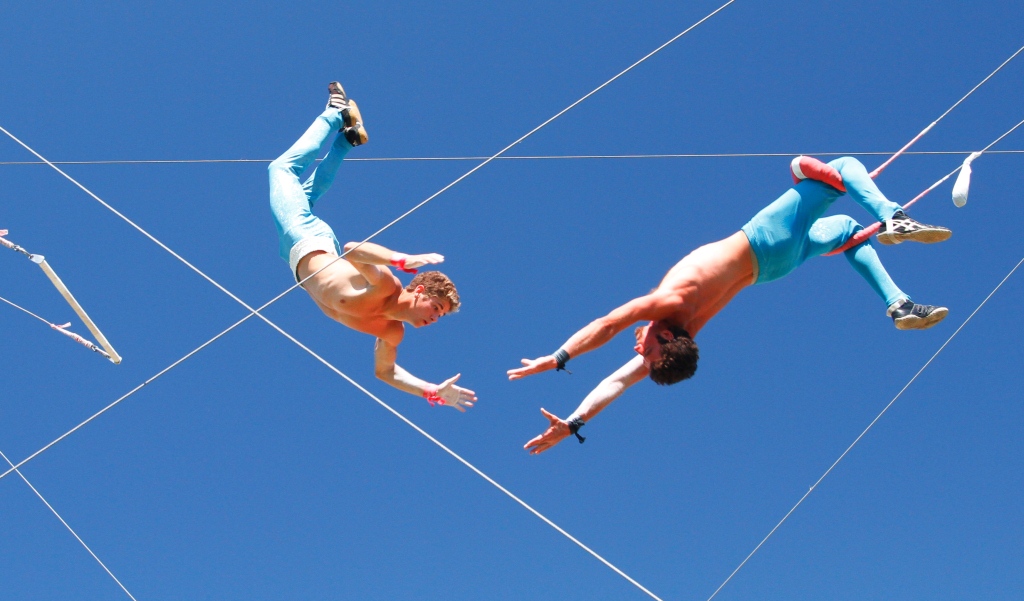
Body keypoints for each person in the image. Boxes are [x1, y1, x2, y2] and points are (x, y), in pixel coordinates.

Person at [508, 155, 948, 452]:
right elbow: (606, 325)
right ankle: (893, 215)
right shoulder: (669, 304)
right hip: (766, 239)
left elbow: (618, 382)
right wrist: (558, 357)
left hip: (776, 268)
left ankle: (899, 304)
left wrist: (575, 422)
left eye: (645, 355)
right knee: (843, 167)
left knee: (848, 227)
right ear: (665, 337)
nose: (638, 351)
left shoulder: (684, 329)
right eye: (647, 350)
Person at [269, 82, 476, 411]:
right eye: (436, 308)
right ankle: (335, 113)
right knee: (281, 169)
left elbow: (385, 372)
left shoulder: (392, 332)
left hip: (294, 258)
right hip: (308, 238)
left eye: (440, 316)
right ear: (419, 290)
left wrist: (430, 390)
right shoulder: (386, 286)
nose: (435, 319)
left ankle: (346, 141)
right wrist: (401, 259)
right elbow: (354, 251)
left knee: (307, 195)